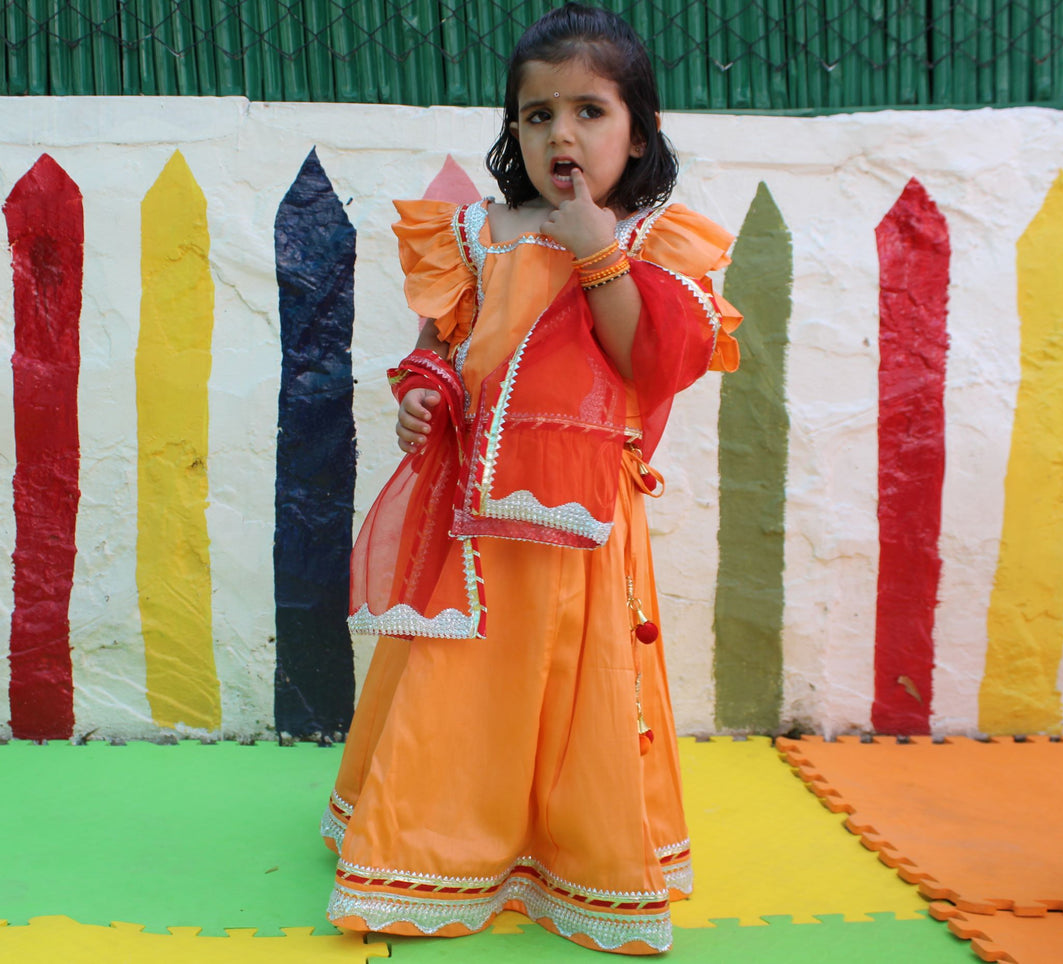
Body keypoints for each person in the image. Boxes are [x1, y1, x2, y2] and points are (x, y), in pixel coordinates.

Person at [321, 3, 742, 955]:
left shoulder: (650, 241)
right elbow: (447, 343)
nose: (561, 133)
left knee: (571, 681)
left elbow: (649, 364)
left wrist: (594, 244)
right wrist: (422, 395)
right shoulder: (479, 231)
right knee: (456, 678)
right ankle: (432, 853)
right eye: (536, 113)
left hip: (586, 521)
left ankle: (566, 854)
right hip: (473, 518)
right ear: (511, 129)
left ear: (640, 131)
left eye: (590, 111)